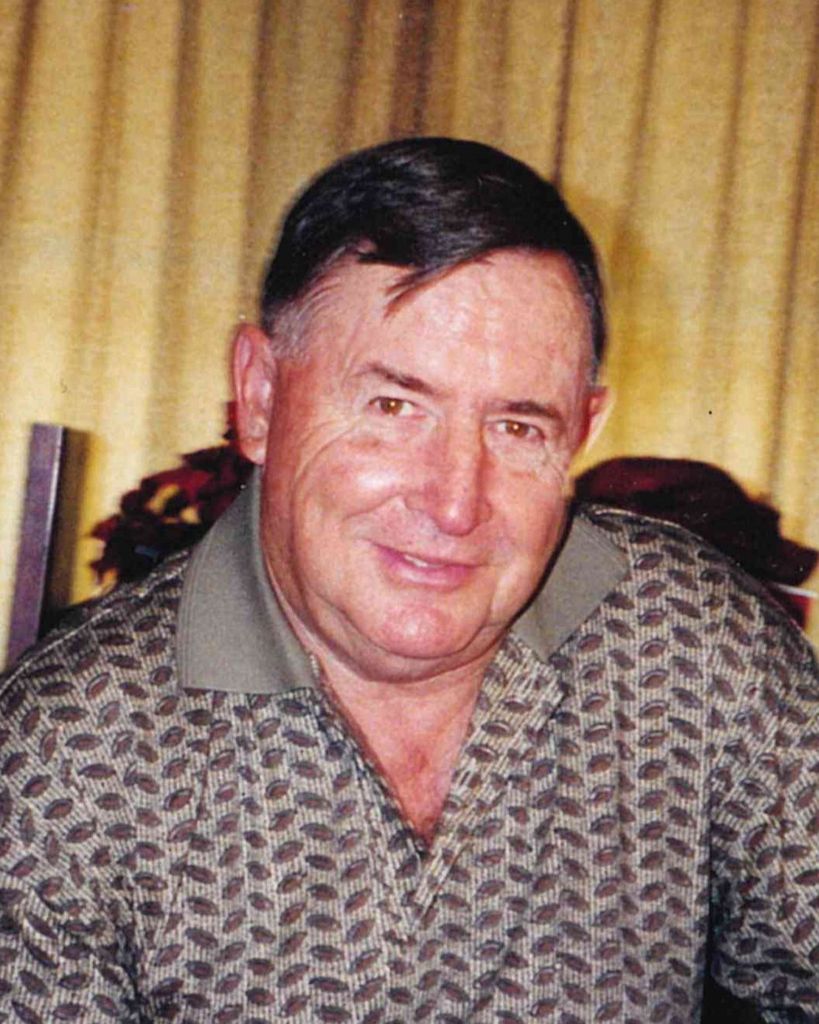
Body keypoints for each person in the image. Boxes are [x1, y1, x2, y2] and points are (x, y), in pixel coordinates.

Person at [0, 138, 816, 1024]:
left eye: (517, 427)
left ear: (582, 431)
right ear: (260, 395)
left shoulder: (691, 641)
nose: (455, 504)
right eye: (394, 407)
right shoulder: (67, 757)